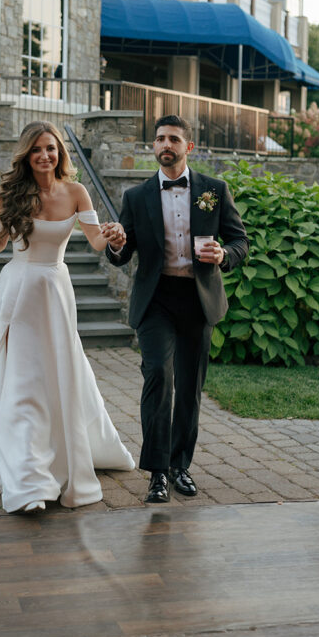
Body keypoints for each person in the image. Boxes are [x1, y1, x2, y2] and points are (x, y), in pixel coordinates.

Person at [0, 120, 135, 513]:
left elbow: (96, 241)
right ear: (27, 155)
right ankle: (28, 483)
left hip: (55, 292)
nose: (46, 155)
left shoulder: (77, 192)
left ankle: (60, 457)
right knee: (23, 382)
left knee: (57, 374)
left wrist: (114, 235)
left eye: (52, 148)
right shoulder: (11, 194)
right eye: (38, 149)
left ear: (60, 153)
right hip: (19, 292)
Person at [103, 115, 248, 505]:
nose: (166, 144)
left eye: (174, 139)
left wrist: (224, 254)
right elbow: (122, 252)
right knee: (158, 378)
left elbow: (239, 241)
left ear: (189, 147)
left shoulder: (214, 190)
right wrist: (116, 243)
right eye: (160, 139)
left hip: (198, 299)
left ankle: (180, 465)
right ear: (154, 146)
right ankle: (156, 473)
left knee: (189, 388)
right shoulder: (136, 197)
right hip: (156, 300)